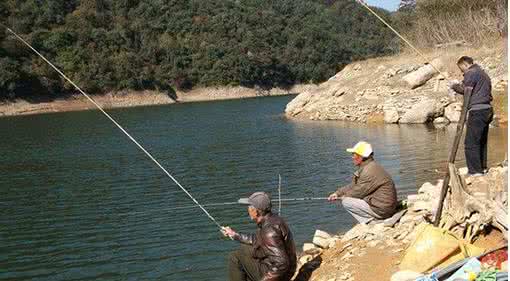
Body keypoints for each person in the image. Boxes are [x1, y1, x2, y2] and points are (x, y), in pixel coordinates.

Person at [221, 192, 297, 281]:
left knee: (235, 257)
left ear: (256, 211)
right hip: (281, 268)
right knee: (244, 249)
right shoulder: (272, 219)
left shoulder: (269, 230)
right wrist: (234, 235)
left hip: (280, 276)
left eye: (249, 207)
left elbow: (281, 264)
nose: (248, 209)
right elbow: (258, 239)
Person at [327, 141, 397, 224]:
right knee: (347, 198)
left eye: (354, 154)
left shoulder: (368, 171)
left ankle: (371, 222)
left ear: (361, 157)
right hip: (385, 206)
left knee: (346, 201)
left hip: (383, 210)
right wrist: (337, 193)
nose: (352, 157)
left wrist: (343, 197)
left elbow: (358, 193)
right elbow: (353, 185)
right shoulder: (369, 166)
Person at [449, 56, 493, 176]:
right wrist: (457, 85)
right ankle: (482, 167)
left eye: (461, 68)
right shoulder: (483, 74)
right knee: (481, 141)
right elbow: (469, 88)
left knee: (471, 143)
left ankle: (475, 171)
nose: (461, 71)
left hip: (477, 111)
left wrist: (453, 86)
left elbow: (466, 91)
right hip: (488, 109)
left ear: (465, 64)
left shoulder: (471, 73)